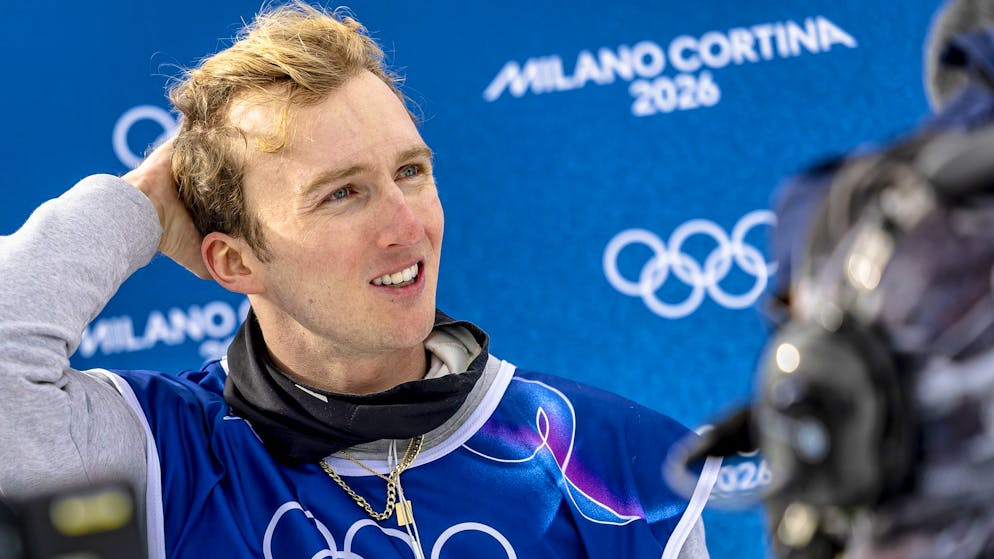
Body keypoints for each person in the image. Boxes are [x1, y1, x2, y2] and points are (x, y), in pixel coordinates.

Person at [0, 3, 716, 558]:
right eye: (342, 193)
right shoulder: (168, 453)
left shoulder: (602, 459)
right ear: (234, 261)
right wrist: (143, 202)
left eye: (411, 171)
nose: (407, 226)